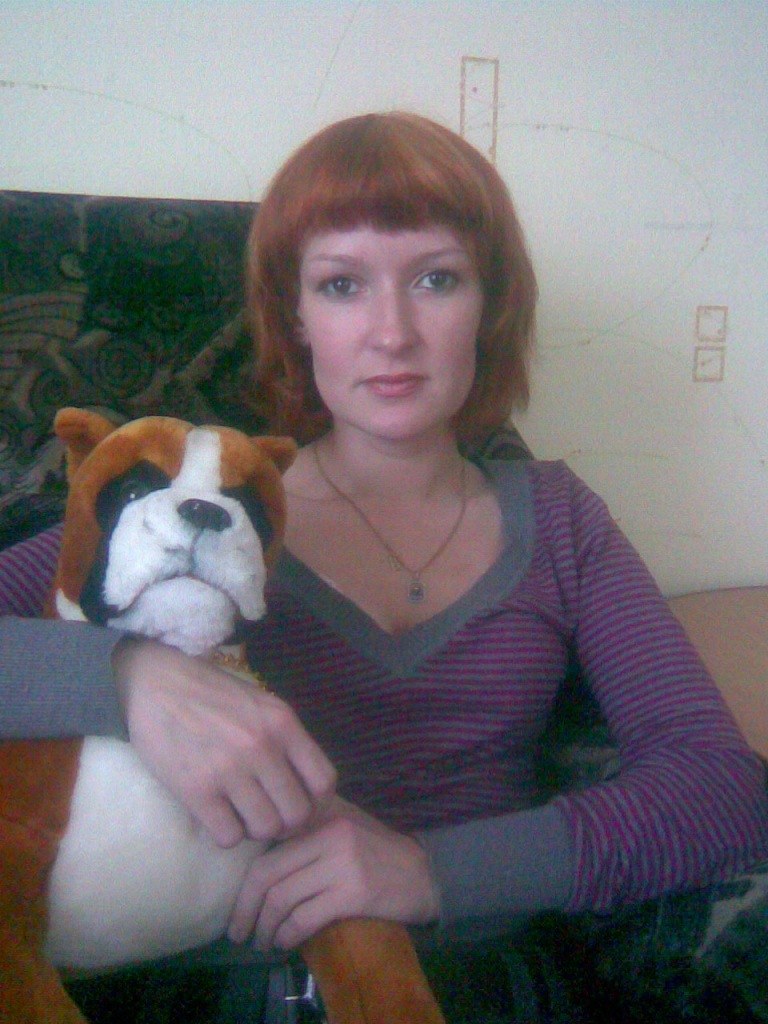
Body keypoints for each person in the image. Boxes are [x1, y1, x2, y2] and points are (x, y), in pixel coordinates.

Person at [2, 111, 768, 1022]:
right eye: (342, 285)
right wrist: (128, 676)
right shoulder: (199, 507)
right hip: (207, 990)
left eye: (437, 279)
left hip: (478, 989)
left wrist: (429, 873)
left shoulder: (562, 518)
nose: (392, 333)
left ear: (491, 303)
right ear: (295, 317)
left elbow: (721, 789)